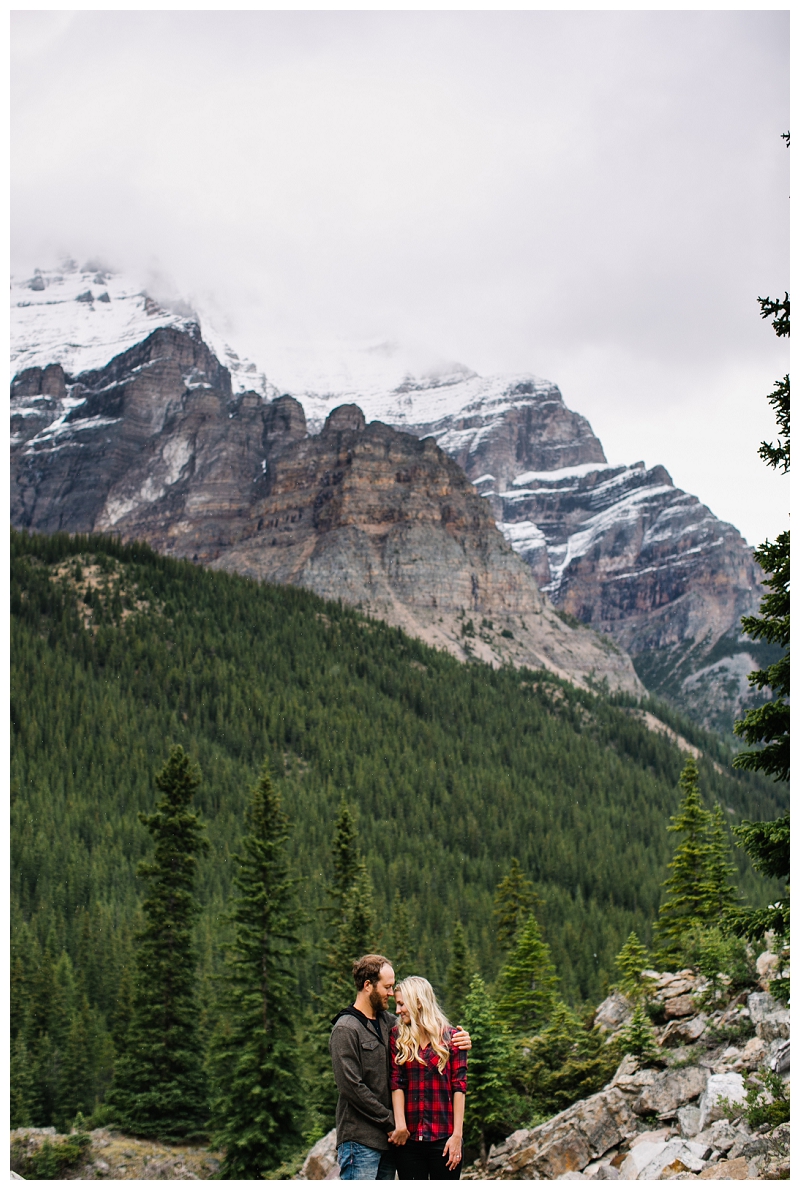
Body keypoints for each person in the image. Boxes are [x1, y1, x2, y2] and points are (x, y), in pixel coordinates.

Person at [329, 954, 471, 1181]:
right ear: (368, 986)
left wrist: (461, 1039)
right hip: (362, 1139)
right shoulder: (346, 1028)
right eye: (387, 987)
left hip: (392, 1142)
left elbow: (425, 1026)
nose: (390, 993)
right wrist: (392, 1122)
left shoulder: (389, 1024)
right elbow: (351, 1087)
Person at [389, 976, 467, 1180]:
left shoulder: (452, 1038)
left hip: (444, 1139)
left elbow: (459, 1087)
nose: (397, 1011)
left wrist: (457, 1135)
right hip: (409, 1141)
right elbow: (396, 1082)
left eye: (401, 1004)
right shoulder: (397, 1036)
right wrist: (400, 1125)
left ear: (418, 1002)